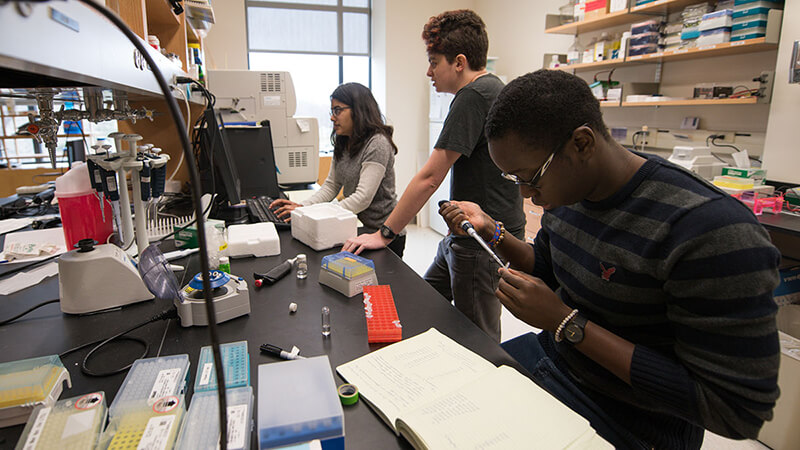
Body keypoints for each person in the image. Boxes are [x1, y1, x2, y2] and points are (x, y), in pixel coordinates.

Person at [438, 69, 782, 449]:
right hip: (557, 361)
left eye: (531, 177)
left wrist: (565, 321)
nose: (526, 195)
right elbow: (550, 269)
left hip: (636, 418)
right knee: (441, 405)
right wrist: (493, 231)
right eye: (513, 179)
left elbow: (736, 410)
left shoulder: (709, 230)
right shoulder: (569, 193)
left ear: (582, 144)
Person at [342, 10, 525, 342]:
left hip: (478, 240)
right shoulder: (494, 87)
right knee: (423, 303)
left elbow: (430, 176)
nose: (428, 71)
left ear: (458, 62)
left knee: (478, 339)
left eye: (433, 61)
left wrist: (384, 233)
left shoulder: (472, 96)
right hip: (467, 233)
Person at [270, 82, 405, 257]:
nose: (333, 117)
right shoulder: (343, 140)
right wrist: (302, 207)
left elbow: (362, 198)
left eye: (338, 110)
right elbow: (331, 186)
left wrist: (321, 215)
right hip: (361, 229)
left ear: (358, 110)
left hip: (386, 234)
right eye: (332, 111)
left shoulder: (377, 143)